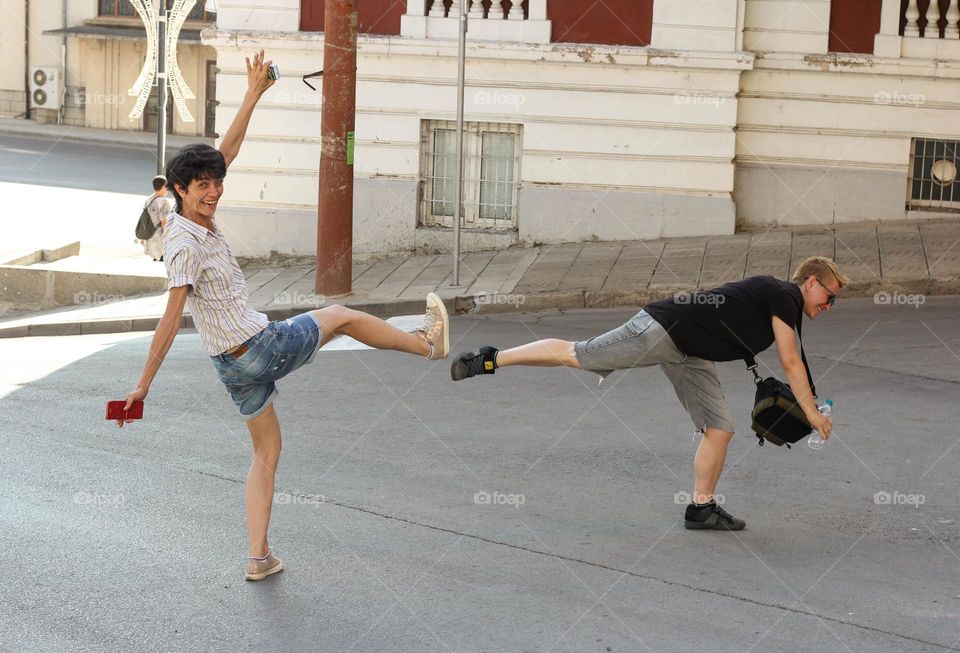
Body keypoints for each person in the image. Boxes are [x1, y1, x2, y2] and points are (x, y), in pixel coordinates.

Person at [118, 51, 450, 581]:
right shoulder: (184, 246)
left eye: (214, 183)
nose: (213, 191)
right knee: (339, 314)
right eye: (201, 186)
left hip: (229, 366)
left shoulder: (188, 215)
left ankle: (258, 558)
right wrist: (142, 385)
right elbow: (170, 317)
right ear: (179, 192)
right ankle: (427, 345)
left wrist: (253, 93)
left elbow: (225, 154)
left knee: (266, 450)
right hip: (257, 347)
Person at [450, 258, 848, 531]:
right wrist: (812, 415)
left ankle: (701, 508)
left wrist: (812, 403)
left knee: (720, 428)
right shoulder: (784, 294)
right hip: (662, 329)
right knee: (579, 354)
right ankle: (492, 358)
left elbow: (798, 363)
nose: (830, 306)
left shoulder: (787, 305)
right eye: (829, 297)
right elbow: (790, 360)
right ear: (810, 283)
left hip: (690, 352)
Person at [141, 175, 173, 261]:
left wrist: (142, 238)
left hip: (150, 237)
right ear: (163, 187)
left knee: (155, 261)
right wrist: (170, 236)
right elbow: (164, 221)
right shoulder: (163, 201)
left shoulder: (149, 199)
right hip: (160, 241)